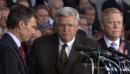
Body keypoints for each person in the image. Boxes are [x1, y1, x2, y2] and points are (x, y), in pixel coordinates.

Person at [28, 7, 100, 74]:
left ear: (77, 27)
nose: (66, 29)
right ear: (56, 26)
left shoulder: (91, 46)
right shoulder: (40, 44)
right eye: (62, 25)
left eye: (70, 25)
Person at [0, 4, 37, 74]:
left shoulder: (12, 45)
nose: (34, 32)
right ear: (21, 24)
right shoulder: (7, 49)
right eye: (33, 27)